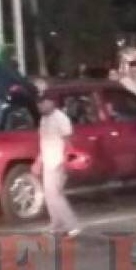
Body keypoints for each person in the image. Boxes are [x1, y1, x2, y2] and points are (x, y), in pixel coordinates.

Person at [33, 93, 80, 238]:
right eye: (38, 105)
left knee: (56, 194)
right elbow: (44, 143)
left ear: (51, 102)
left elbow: (68, 142)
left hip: (58, 161)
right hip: (48, 160)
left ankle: (72, 225)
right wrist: (38, 162)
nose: (40, 107)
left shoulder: (61, 118)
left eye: (42, 104)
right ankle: (57, 223)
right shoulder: (44, 120)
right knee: (49, 194)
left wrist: (68, 162)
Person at [0, 57, 34, 132]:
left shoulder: (1, 72)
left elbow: (16, 85)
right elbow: (21, 81)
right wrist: (32, 89)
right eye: (16, 67)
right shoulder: (9, 71)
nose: (17, 69)